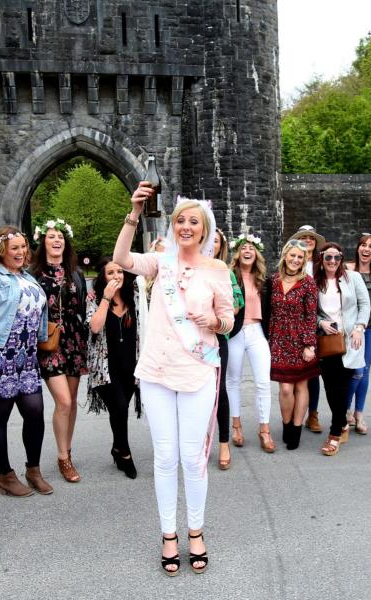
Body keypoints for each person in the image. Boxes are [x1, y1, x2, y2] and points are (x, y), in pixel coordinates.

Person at [113, 185, 234, 576]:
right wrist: (134, 212)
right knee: (165, 458)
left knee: (192, 457)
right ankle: (169, 535)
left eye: (192, 221)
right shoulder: (159, 262)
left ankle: (195, 532)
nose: (184, 226)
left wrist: (214, 322)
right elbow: (121, 258)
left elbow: (229, 319)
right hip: (157, 371)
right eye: (179, 220)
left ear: (204, 230)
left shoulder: (217, 270)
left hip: (197, 370)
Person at [0, 227, 53, 496]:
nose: (20, 252)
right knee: (0, 417)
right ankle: (5, 475)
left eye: (23, 247)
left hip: (27, 357)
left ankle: (33, 470)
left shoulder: (28, 277)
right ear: (1, 250)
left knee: (35, 413)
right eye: (14, 247)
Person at [30, 218, 88, 483]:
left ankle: (67, 449)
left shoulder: (75, 273)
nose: (56, 241)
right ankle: (63, 457)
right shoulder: (34, 274)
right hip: (49, 341)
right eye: (51, 236)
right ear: (43, 242)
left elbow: (82, 308)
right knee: (63, 401)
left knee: (72, 401)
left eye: (60, 237)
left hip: (74, 340)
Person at [86, 257, 141, 479]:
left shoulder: (136, 298)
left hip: (132, 368)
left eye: (120, 271)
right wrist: (106, 298)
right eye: (111, 272)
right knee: (119, 407)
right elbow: (95, 327)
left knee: (119, 411)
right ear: (103, 277)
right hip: (105, 369)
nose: (116, 276)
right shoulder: (95, 299)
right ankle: (125, 453)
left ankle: (116, 448)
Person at [315, 242, 370, 455]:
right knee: (330, 387)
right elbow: (312, 310)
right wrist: (321, 323)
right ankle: (342, 423)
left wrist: (359, 327)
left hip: (350, 339)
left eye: (336, 257)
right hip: (328, 340)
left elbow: (365, 304)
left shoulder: (352, 278)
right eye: (328, 257)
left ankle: (335, 433)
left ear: (341, 258)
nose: (332, 262)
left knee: (343, 386)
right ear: (321, 259)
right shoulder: (315, 281)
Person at [266, 239, 320, 450]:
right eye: (293, 255)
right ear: (285, 256)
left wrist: (309, 345)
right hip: (279, 339)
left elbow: (310, 315)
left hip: (300, 340)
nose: (296, 260)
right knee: (286, 388)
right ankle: (286, 425)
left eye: (300, 257)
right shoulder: (273, 280)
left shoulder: (308, 282)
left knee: (301, 386)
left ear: (304, 260)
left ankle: (296, 429)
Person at [226, 233, 275, 454]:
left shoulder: (264, 279)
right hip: (236, 331)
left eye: (251, 248)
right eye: (243, 248)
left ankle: (264, 429)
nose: (247, 251)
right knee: (233, 380)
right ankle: (236, 426)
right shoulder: (229, 276)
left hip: (257, 332)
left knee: (263, 381)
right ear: (237, 253)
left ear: (257, 254)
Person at [344, 233, 371, 434]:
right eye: (363, 245)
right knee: (353, 369)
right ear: (358, 248)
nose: (366, 249)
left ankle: (359, 413)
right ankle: (345, 410)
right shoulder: (347, 270)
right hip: (351, 329)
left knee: (364, 370)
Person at [211, 229, 244, 469]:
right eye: (208, 238)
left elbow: (236, 304)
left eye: (216, 240)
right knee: (196, 391)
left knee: (219, 390)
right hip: (191, 339)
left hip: (217, 335)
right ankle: (202, 438)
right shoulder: (187, 268)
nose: (211, 244)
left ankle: (223, 442)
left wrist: (214, 316)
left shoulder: (225, 272)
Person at [288, 225, 326, 434]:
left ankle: (312, 413)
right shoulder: (294, 262)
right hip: (296, 323)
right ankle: (295, 411)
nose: (308, 241)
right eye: (303, 237)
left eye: (311, 238)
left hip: (318, 321)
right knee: (294, 372)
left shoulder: (322, 265)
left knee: (312, 373)